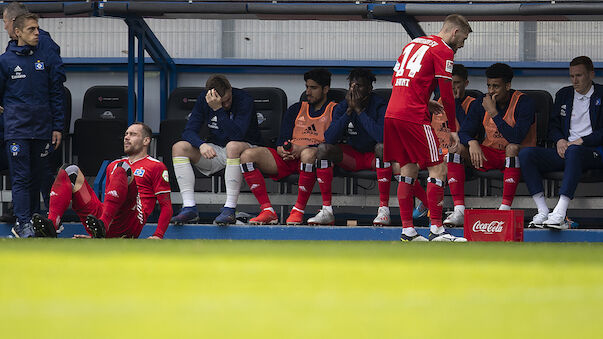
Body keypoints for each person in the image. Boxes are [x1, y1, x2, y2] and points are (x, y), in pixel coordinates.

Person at [384, 14, 471, 242]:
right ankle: (437, 230)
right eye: (463, 38)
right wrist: (452, 127)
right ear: (454, 32)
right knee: (438, 168)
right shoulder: (444, 50)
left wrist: (424, 101)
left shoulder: (412, 44)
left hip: (393, 113)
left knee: (408, 169)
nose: (462, 44)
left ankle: (408, 231)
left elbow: (396, 80)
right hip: (413, 117)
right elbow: (447, 94)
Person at [31, 123, 173, 239]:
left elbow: (166, 206)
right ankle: (51, 226)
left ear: (146, 141)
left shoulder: (156, 166)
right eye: (126, 134)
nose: (127, 138)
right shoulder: (113, 165)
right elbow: (111, 199)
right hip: (108, 216)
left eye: (133, 134)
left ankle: (103, 226)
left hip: (132, 219)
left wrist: (158, 235)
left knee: (122, 167)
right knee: (69, 170)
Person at [444, 63, 536, 227]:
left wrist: (494, 112)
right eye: (489, 86)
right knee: (456, 149)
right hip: (491, 153)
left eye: (496, 86)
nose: (491, 90)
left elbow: (515, 137)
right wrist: (472, 142)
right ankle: (459, 211)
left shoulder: (524, 102)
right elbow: (464, 132)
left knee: (511, 147)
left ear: (508, 86)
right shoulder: (481, 102)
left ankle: (504, 209)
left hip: (522, 155)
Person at [240, 68, 336, 225]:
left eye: (313, 88)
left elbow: (332, 142)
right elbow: (282, 139)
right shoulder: (296, 109)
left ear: (325, 89)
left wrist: (303, 148)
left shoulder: (334, 109)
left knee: (309, 154)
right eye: (307, 87)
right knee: (247, 155)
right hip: (288, 157)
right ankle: (267, 211)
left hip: (311, 158)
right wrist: (282, 149)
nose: (308, 92)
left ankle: (298, 210)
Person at [519, 56, 603, 229]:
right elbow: (553, 125)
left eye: (579, 75)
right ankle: (543, 211)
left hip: (593, 152)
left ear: (591, 74)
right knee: (526, 154)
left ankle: (560, 212)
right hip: (566, 151)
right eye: (572, 76)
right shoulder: (564, 94)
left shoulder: (601, 94)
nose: (574, 80)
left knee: (574, 151)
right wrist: (559, 140)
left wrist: (581, 141)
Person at [0, 13, 64, 238]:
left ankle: (42, 222)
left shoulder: (43, 59)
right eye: (31, 29)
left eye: (37, 29)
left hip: (42, 129)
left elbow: (55, 94)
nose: (37, 33)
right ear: (17, 32)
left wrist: (57, 127)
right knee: (21, 177)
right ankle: (22, 222)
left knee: (42, 176)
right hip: (17, 130)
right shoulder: (5, 61)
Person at [171, 75, 260, 225]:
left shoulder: (244, 99)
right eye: (221, 103)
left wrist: (218, 109)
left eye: (227, 100)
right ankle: (189, 207)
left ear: (230, 89)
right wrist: (201, 144)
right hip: (218, 150)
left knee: (232, 146)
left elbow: (237, 135)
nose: (226, 105)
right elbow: (188, 131)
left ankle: (230, 210)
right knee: (179, 147)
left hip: (247, 150)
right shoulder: (204, 99)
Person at [311, 68, 391, 225]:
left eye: (359, 86)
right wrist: (349, 110)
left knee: (382, 148)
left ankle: (384, 210)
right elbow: (330, 137)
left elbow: (381, 137)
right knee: (323, 150)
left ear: (369, 88)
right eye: (351, 86)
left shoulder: (380, 105)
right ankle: (327, 210)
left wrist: (360, 111)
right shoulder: (343, 105)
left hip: (372, 157)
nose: (354, 90)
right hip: (352, 156)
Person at [412, 63, 482, 222]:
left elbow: (466, 132)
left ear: (466, 83)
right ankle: (427, 202)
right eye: (448, 84)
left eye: (456, 83)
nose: (452, 87)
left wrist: (454, 103)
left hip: (464, 156)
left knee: (453, 151)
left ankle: (459, 210)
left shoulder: (473, 104)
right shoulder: (436, 102)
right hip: (435, 153)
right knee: (400, 163)